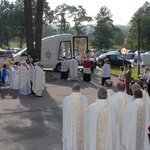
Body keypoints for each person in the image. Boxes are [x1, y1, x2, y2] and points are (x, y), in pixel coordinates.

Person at [62, 83, 89, 150]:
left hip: (71, 128)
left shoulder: (67, 99)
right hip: (83, 129)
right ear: (80, 90)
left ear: (72, 89)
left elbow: (65, 114)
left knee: (71, 140)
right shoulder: (85, 99)